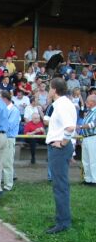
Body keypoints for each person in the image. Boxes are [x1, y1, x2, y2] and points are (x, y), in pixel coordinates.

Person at [45, 78, 77, 234]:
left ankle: (63, 222)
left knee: (60, 186)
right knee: (60, 185)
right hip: (59, 148)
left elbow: (70, 128)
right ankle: (62, 217)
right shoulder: (63, 104)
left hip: (59, 148)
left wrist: (63, 143)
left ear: (54, 90)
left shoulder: (62, 105)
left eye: (49, 88)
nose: (48, 91)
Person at [1, 91, 21, 191]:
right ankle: (3, 182)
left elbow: (9, 126)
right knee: (1, 162)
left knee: (7, 162)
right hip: (1, 138)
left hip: (8, 138)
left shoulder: (14, 110)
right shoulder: (4, 110)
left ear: (5, 99)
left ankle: (8, 185)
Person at [79, 95, 96, 185]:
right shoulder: (89, 112)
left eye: (87, 101)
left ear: (93, 102)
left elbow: (93, 124)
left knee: (93, 160)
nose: (86, 103)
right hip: (85, 137)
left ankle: (94, 180)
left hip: (93, 137)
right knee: (85, 160)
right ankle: (87, 179)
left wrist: (80, 126)